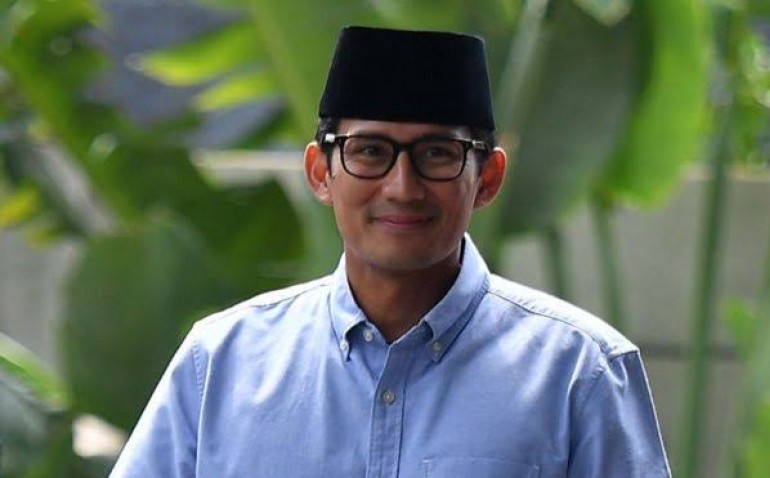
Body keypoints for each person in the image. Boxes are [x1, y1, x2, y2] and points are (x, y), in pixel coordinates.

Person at [110, 26, 671, 477]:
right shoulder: (220, 364)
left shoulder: (578, 372)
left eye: (438, 153)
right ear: (320, 172)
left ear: (488, 178)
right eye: (370, 151)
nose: (403, 187)